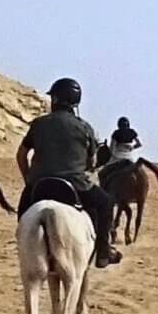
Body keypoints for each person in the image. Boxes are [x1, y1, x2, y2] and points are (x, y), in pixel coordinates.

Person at [17, 77, 122, 267]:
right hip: (75, 185)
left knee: (24, 212)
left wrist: (29, 180)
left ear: (55, 99)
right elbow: (91, 163)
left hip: (40, 184)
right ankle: (103, 252)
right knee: (106, 203)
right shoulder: (84, 127)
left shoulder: (39, 124)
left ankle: (24, 248)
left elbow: (21, 155)